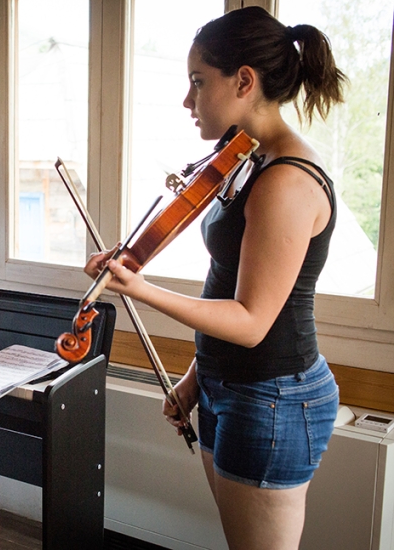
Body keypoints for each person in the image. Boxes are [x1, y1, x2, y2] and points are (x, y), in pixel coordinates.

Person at [84, 8, 345, 550]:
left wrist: (138, 287)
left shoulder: (286, 180)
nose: (188, 100)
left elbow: (252, 321)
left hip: (272, 396)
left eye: (198, 83)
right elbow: (228, 283)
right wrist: (196, 378)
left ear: (244, 81)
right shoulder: (247, 161)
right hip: (233, 387)